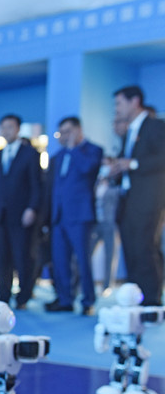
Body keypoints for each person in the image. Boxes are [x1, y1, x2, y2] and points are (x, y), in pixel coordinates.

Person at [109, 85, 165, 307]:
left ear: (135, 102)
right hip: (128, 200)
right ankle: (136, 297)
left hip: (148, 199)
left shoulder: (155, 126)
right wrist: (117, 170)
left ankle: (151, 301)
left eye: (119, 103)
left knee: (144, 248)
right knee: (131, 249)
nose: (117, 109)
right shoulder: (130, 132)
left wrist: (132, 163)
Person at [0, 114, 43, 309]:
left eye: (10, 127)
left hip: (21, 214)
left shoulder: (30, 154)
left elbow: (36, 185)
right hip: (0, 214)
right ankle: (3, 295)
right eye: (3, 127)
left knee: (22, 255)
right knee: (2, 256)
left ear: (18, 129)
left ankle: (23, 296)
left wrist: (32, 208)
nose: (6, 131)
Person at [46, 116, 103, 315]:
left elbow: (88, 170)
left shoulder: (93, 151)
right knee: (60, 260)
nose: (64, 136)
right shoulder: (58, 156)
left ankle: (88, 300)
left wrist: (73, 147)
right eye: (61, 132)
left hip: (80, 216)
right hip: (59, 217)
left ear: (79, 130)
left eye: (68, 131)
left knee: (82, 261)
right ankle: (65, 299)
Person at [92, 116, 126, 295]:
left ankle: (107, 285)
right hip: (96, 222)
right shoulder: (96, 183)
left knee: (110, 255)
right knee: (86, 252)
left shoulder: (116, 185)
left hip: (111, 223)